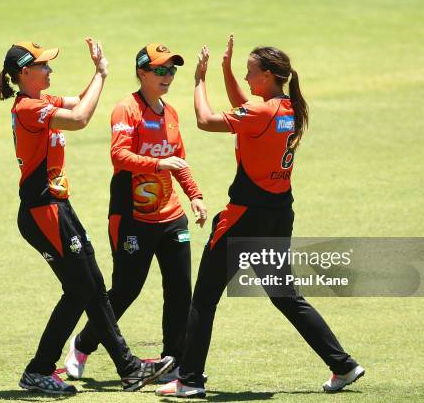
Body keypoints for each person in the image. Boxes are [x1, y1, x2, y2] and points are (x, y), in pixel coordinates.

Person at [156, 35, 365, 398]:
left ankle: (189, 380)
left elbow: (206, 120)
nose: (247, 78)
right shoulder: (288, 109)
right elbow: (246, 106)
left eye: (250, 72)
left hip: (243, 218)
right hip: (278, 216)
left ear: (267, 76)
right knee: (286, 296)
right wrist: (224, 69)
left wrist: (199, 80)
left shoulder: (261, 113)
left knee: (204, 298)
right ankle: (343, 365)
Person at [0, 39, 174, 394]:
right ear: (24, 73)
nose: (50, 70)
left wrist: (99, 73)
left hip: (58, 207)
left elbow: (76, 102)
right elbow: (79, 118)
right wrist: (101, 76)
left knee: (90, 286)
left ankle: (128, 367)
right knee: (81, 289)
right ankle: (40, 369)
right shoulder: (28, 108)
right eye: (43, 66)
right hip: (42, 210)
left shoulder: (42, 101)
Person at [64, 43, 207, 383]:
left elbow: (179, 158)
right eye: (160, 70)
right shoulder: (125, 109)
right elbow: (120, 156)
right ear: (142, 72)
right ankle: (83, 346)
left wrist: (195, 195)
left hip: (171, 217)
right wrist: (159, 162)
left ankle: (171, 361)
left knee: (179, 291)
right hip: (132, 217)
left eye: (172, 70)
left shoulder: (171, 113)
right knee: (127, 289)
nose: (167, 76)